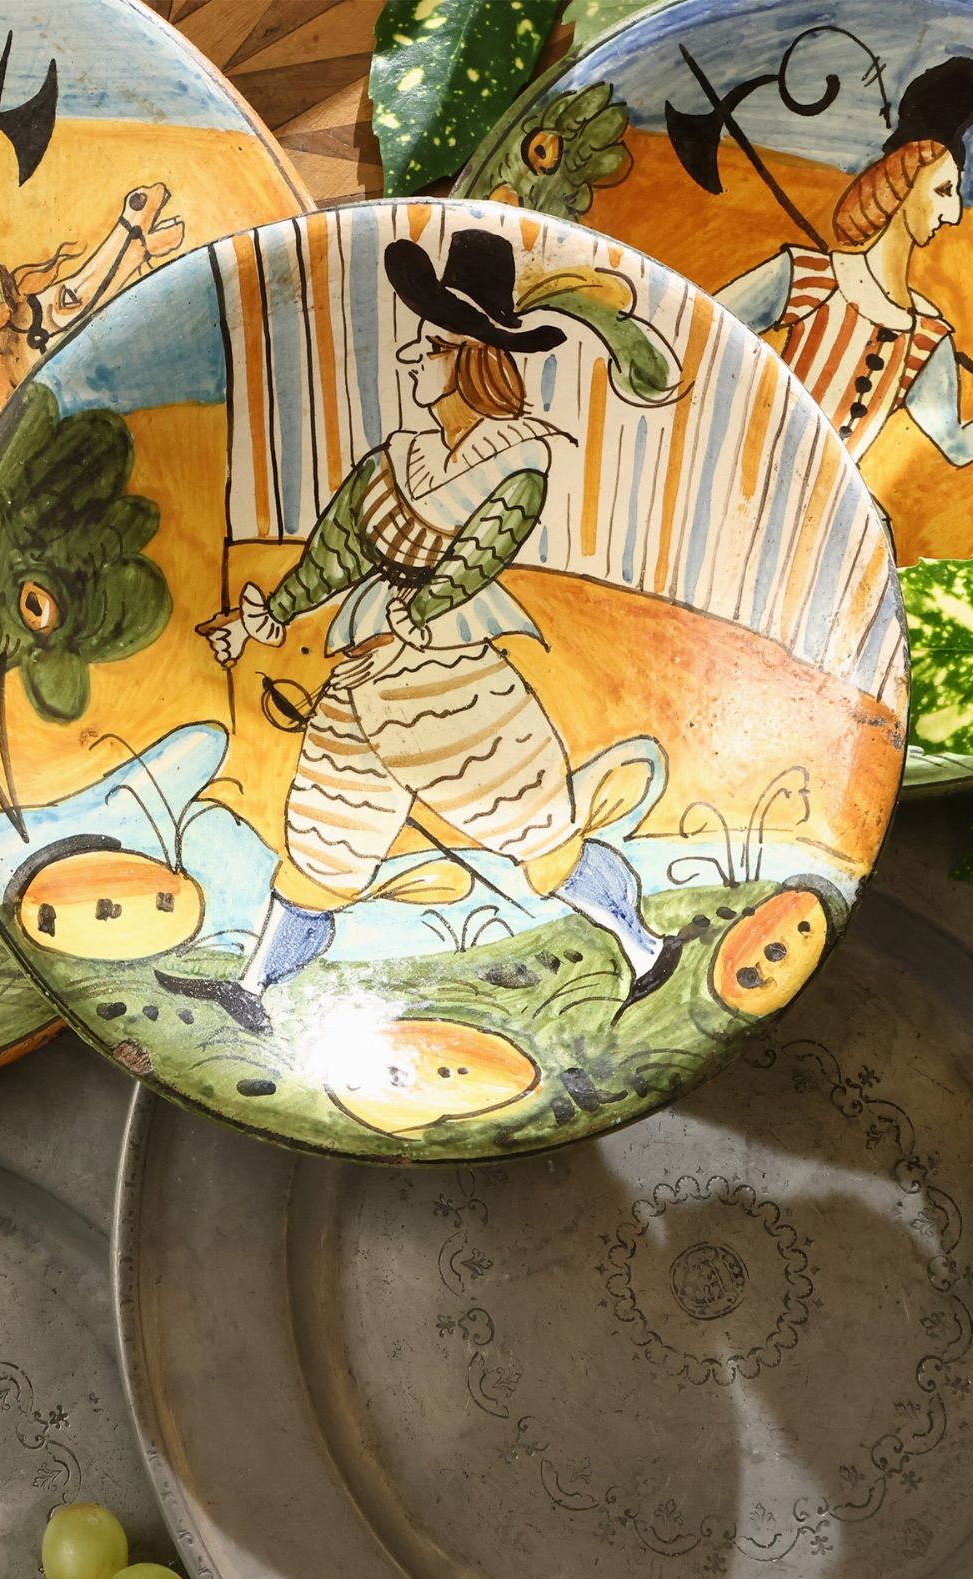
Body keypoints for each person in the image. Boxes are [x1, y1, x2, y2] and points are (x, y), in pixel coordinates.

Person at [166, 231, 683, 1038]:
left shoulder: (518, 461)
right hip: (363, 674)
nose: (410, 356)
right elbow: (336, 552)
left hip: (450, 678)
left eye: (430, 345)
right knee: (326, 840)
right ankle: (257, 990)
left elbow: (481, 555)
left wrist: (422, 609)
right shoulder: (395, 458)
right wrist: (270, 615)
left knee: (535, 824)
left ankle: (644, 945)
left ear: (474, 360)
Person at [715, 57, 973, 465]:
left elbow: (956, 445)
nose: (954, 213)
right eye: (945, 190)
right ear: (903, 179)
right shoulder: (809, 278)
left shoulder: (927, 335)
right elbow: (703, 325)